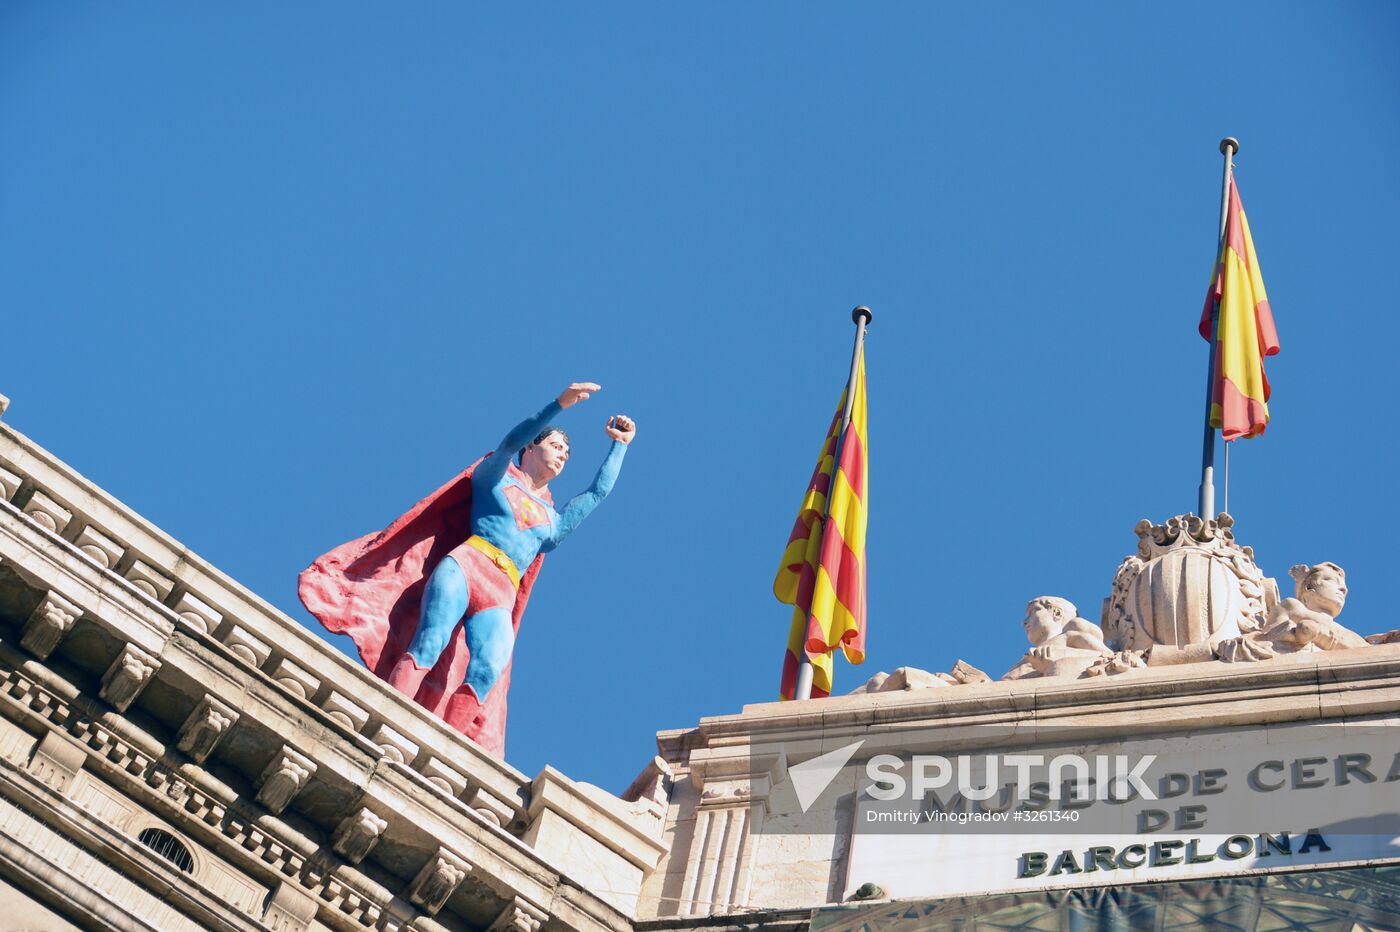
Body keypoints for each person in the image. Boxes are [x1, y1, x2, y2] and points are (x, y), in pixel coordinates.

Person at [298, 382, 634, 756]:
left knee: (488, 670)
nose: (563, 455)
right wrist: (558, 405)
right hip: (467, 564)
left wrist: (619, 446)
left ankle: (444, 750)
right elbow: (508, 442)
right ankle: (388, 712)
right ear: (531, 448)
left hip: (500, 594)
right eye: (556, 445)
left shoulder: (551, 523)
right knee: (431, 640)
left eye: (568, 453)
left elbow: (595, 495)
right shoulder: (496, 476)